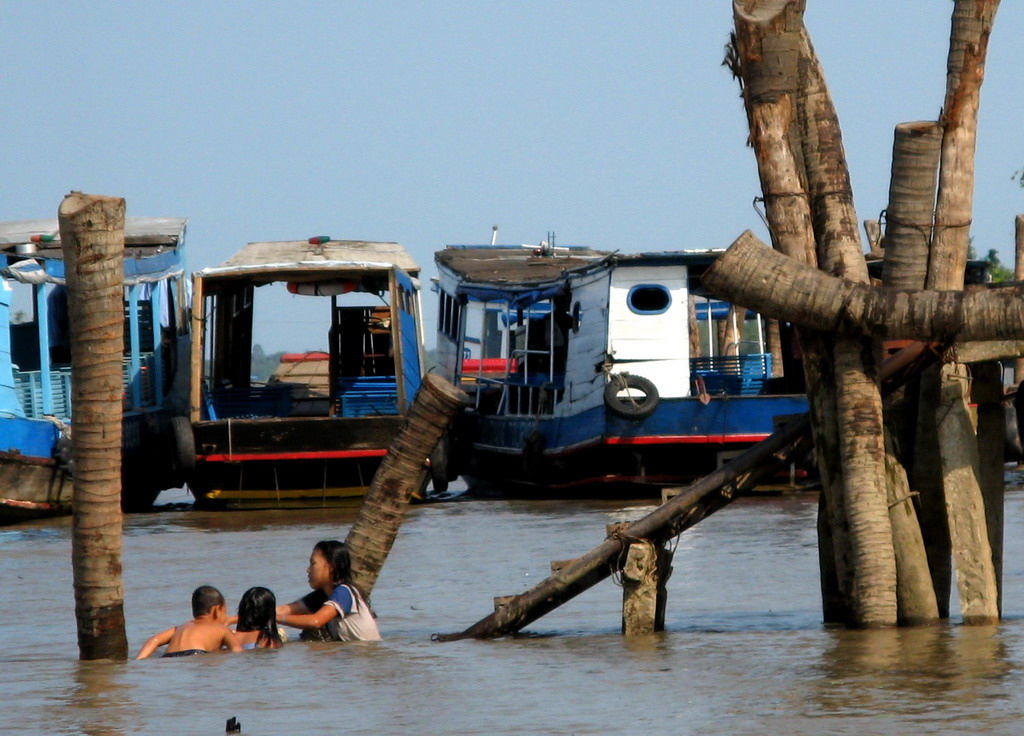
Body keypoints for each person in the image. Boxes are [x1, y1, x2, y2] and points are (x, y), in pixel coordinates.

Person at [276, 540, 381, 642]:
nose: (308, 570)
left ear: (331, 567)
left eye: (313, 564)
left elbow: (316, 621)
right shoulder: (322, 596)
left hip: (364, 656)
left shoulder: (344, 592)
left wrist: (276, 619)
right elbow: (282, 610)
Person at [135, 585, 243, 659]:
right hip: (196, 654)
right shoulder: (223, 630)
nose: (226, 617)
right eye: (225, 612)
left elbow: (154, 640)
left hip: (168, 657)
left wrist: (140, 659)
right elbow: (237, 651)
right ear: (216, 610)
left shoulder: (180, 628)